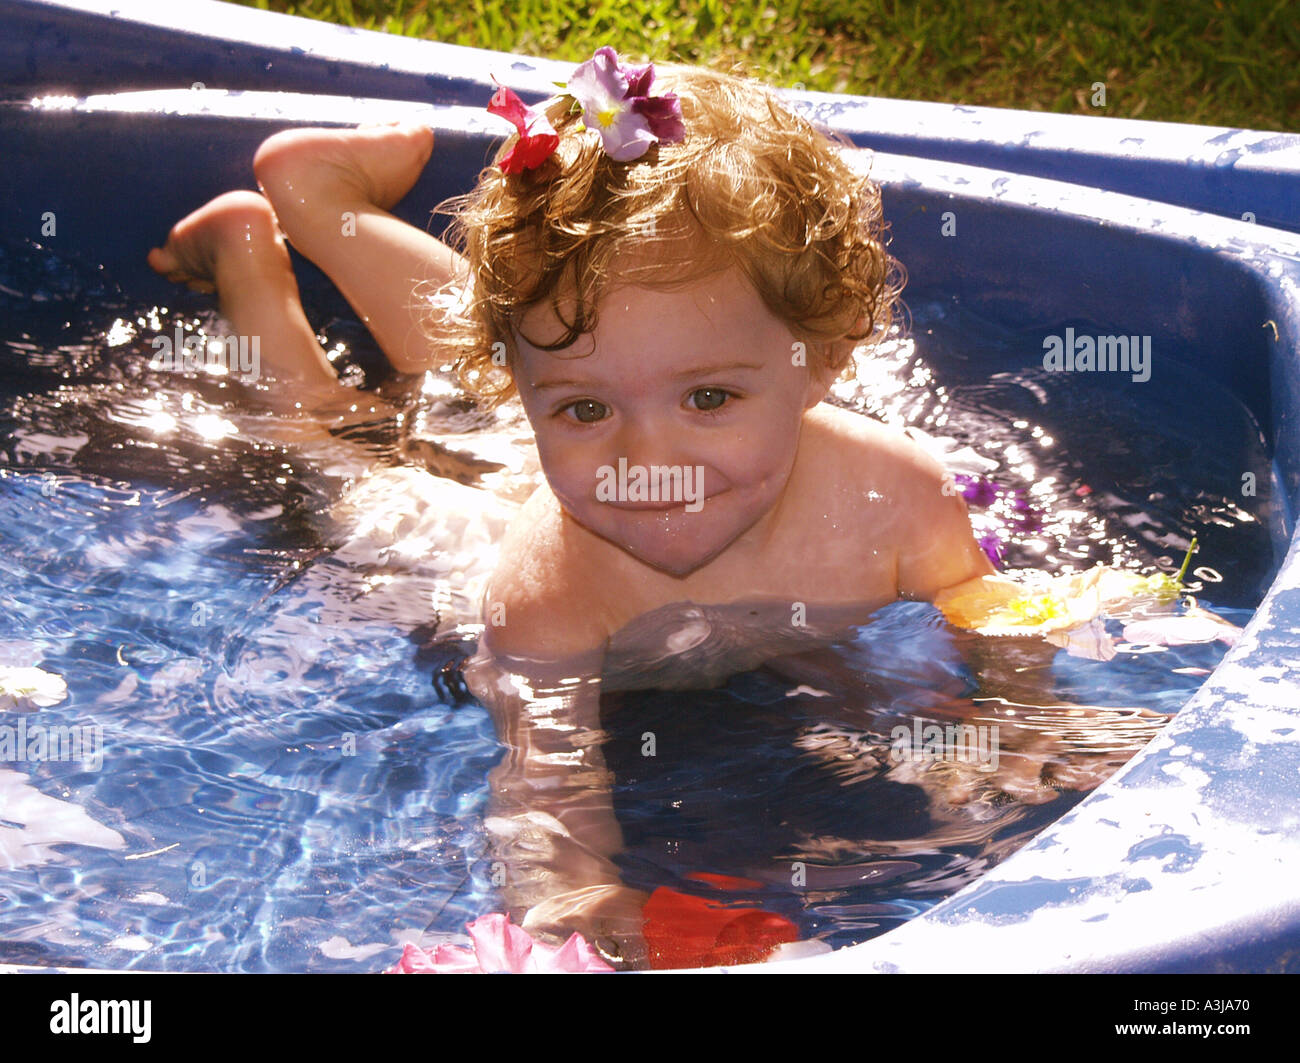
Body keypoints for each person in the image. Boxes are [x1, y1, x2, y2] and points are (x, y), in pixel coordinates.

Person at [147, 51, 1045, 968]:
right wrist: (576, 896)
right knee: (335, 448)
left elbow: (981, 607)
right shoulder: (550, 592)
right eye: (581, 409)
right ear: (527, 392)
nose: (647, 461)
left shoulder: (891, 497)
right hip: (469, 546)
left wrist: (1022, 714)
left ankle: (320, 198)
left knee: (570, 337)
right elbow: (548, 780)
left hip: (554, 460)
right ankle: (249, 254)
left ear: (822, 357)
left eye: (709, 399)